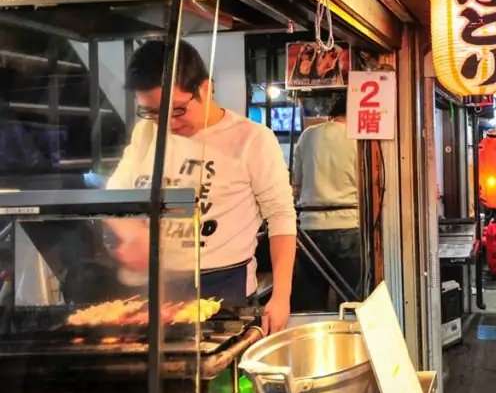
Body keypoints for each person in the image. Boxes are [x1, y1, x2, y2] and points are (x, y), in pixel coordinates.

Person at [106, 40, 296, 334]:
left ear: (205, 89)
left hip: (222, 286)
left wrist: (281, 296)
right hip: (150, 287)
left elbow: (281, 217)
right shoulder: (146, 133)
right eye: (152, 112)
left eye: (178, 110)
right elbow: (114, 196)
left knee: (221, 379)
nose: (167, 123)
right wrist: (131, 235)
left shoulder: (252, 139)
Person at [291, 95, 362, 310]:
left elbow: (296, 186)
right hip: (349, 225)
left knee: (309, 302)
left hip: (311, 229)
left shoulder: (308, 135)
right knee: (349, 301)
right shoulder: (358, 140)